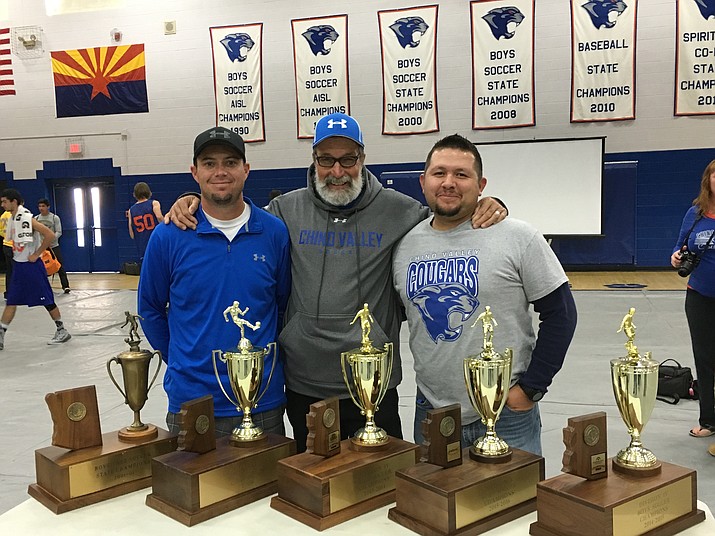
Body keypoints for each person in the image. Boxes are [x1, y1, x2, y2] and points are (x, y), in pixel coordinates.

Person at [167, 113, 507, 452]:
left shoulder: (402, 212)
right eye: (326, 160)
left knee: (381, 483)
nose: (338, 171)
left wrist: (489, 203)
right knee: (311, 483)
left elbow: (447, 219)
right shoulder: (284, 210)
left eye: (348, 159)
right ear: (315, 160)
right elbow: (233, 213)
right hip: (305, 382)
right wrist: (192, 200)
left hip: (375, 381)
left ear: (363, 159)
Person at [392, 134, 577, 456]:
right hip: (433, 410)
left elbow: (561, 314)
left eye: (461, 174)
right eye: (439, 173)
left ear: (481, 185)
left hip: (507, 411)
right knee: (433, 504)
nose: (449, 183)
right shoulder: (403, 245)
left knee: (514, 505)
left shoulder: (518, 236)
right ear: (423, 182)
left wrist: (530, 389)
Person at [138, 127, 291, 438]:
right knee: (193, 488)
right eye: (209, 163)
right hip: (193, 403)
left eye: (231, 162)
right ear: (194, 172)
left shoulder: (274, 232)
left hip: (263, 402)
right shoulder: (169, 235)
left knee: (267, 488)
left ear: (246, 170)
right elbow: (150, 309)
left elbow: (284, 303)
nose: (220, 172)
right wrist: (183, 359)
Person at [671, 159, 715, 440]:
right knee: (704, 358)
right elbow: (679, 246)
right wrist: (675, 258)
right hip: (699, 295)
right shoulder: (695, 213)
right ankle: (708, 420)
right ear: (708, 180)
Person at [0, 189, 72, 350]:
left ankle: (61, 329)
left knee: (46, 299)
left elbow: (49, 235)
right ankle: (1, 333)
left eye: (5, 201)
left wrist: (37, 253)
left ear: (14, 201)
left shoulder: (26, 218)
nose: (2, 204)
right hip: (19, 265)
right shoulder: (12, 218)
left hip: (31, 266)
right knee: (11, 300)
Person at [35, 198, 71, 293]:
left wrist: (51, 238)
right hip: (41, 248)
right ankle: (42, 287)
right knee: (42, 267)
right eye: (39, 206)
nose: (41, 208)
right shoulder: (36, 219)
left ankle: (65, 286)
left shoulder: (54, 218)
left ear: (48, 207)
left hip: (53, 246)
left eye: (43, 206)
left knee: (59, 266)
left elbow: (59, 231)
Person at [128, 182, 163, 261]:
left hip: (142, 245)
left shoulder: (131, 210)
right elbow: (159, 216)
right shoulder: (154, 203)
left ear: (135, 194)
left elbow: (131, 233)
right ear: (148, 192)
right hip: (156, 241)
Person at [0, 210, 13, 298]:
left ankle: (8, 292)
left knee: (9, 271)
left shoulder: (3, 215)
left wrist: (6, 236)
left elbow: (0, 230)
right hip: (14, 245)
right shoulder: (13, 215)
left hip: (6, 244)